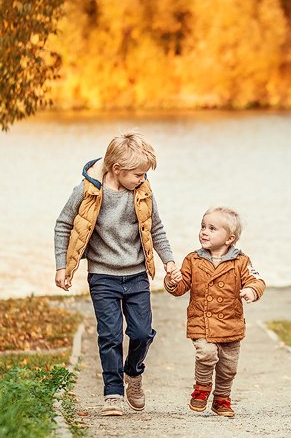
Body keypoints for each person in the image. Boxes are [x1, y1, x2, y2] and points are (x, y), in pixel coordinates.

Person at [54, 131, 180, 417]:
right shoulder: (86, 193)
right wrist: (63, 266)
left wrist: (169, 262)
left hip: (136, 275)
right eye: (138, 174)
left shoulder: (143, 192)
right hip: (103, 276)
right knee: (109, 335)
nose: (142, 179)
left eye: (145, 174)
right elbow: (63, 225)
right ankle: (113, 393)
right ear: (117, 169)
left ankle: (133, 374)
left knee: (142, 333)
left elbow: (156, 228)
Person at [164, 207, 265, 418]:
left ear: (230, 238)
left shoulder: (241, 261)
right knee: (206, 353)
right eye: (203, 227)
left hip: (230, 324)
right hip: (202, 321)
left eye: (212, 228)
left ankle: (221, 399)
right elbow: (182, 286)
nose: (204, 232)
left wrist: (251, 290)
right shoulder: (193, 259)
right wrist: (173, 281)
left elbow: (257, 280)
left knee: (228, 368)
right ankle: (201, 389)